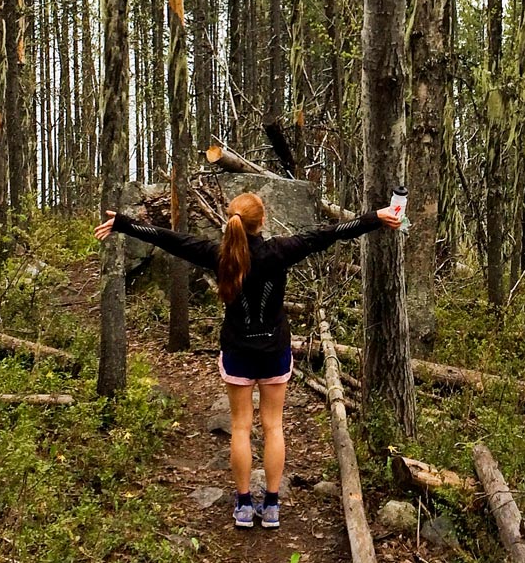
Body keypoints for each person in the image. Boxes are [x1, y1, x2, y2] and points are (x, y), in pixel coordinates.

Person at [94, 192, 401, 530]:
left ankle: (242, 505)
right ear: (262, 221)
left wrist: (124, 224)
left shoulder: (218, 255)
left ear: (231, 221)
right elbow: (328, 233)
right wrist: (375, 217)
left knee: (240, 426)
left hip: (239, 351)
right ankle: (270, 505)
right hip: (273, 352)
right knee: (273, 426)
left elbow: (171, 240)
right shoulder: (281, 251)